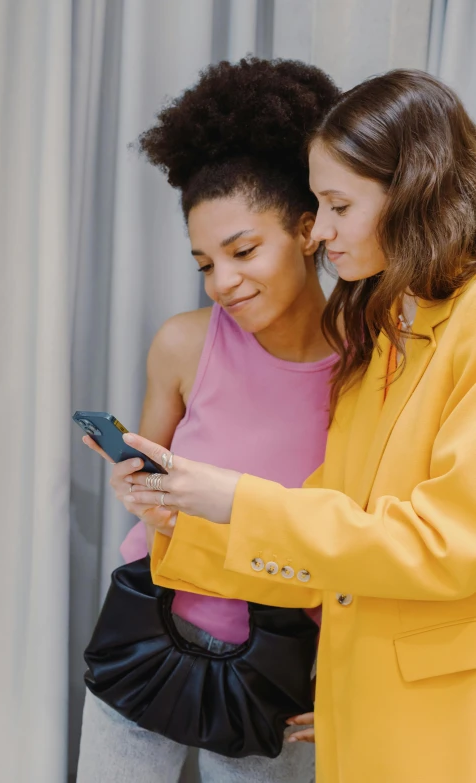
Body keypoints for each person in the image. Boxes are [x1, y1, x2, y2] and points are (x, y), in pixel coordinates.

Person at [123, 70, 476, 783]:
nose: (322, 229)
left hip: (429, 720)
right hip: (355, 702)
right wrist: (179, 511)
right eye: (317, 203)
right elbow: (332, 514)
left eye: (338, 205)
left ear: (413, 186)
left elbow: (447, 544)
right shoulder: (386, 330)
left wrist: (227, 499)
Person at [76, 57, 340, 783]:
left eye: (243, 250)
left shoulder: (370, 369)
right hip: (149, 630)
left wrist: (352, 681)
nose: (224, 281)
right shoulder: (183, 343)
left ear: (310, 229)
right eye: (204, 261)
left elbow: (365, 534)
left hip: (278, 666)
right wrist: (139, 489)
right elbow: (151, 470)